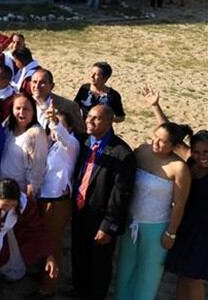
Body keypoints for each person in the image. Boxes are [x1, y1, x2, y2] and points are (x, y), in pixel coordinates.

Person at [115, 122, 191, 300]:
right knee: (125, 269)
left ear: (174, 146)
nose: (155, 143)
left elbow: (179, 204)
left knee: (149, 274)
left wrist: (171, 233)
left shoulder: (179, 168)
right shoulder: (142, 151)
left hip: (156, 227)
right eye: (154, 137)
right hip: (131, 222)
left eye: (163, 141)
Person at [69, 105, 135, 300]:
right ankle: (79, 291)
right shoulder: (82, 142)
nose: (90, 121)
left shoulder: (122, 153)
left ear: (109, 122)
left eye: (96, 119)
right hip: (80, 210)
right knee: (78, 254)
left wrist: (107, 225)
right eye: (89, 116)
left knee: (100, 263)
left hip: (101, 218)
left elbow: (121, 193)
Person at [35, 108, 80, 298]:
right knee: (44, 243)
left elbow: (63, 137)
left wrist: (55, 122)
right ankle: (43, 281)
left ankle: (49, 288)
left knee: (53, 244)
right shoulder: (51, 144)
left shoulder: (70, 145)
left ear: (68, 127)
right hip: (45, 199)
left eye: (61, 124)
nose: (55, 128)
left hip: (57, 202)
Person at [164, 130, 208, 300]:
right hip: (186, 227)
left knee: (193, 279)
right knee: (182, 275)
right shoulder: (190, 163)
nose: (201, 156)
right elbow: (170, 134)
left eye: (206, 152)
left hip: (203, 235)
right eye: (197, 152)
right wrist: (155, 107)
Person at [0, 94, 48, 200]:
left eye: (26, 109)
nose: (21, 112)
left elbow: (37, 167)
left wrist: (30, 194)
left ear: (33, 112)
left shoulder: (36, 133)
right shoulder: (7, 127)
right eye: (18, 108)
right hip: (1, 188)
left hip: (19, 193)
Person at [30, 68, 86, 136]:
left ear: (52, 86)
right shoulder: (24, 104)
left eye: (42, 82)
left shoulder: (69, 107)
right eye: (34, 82)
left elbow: (81, 135)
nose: (37, 86)